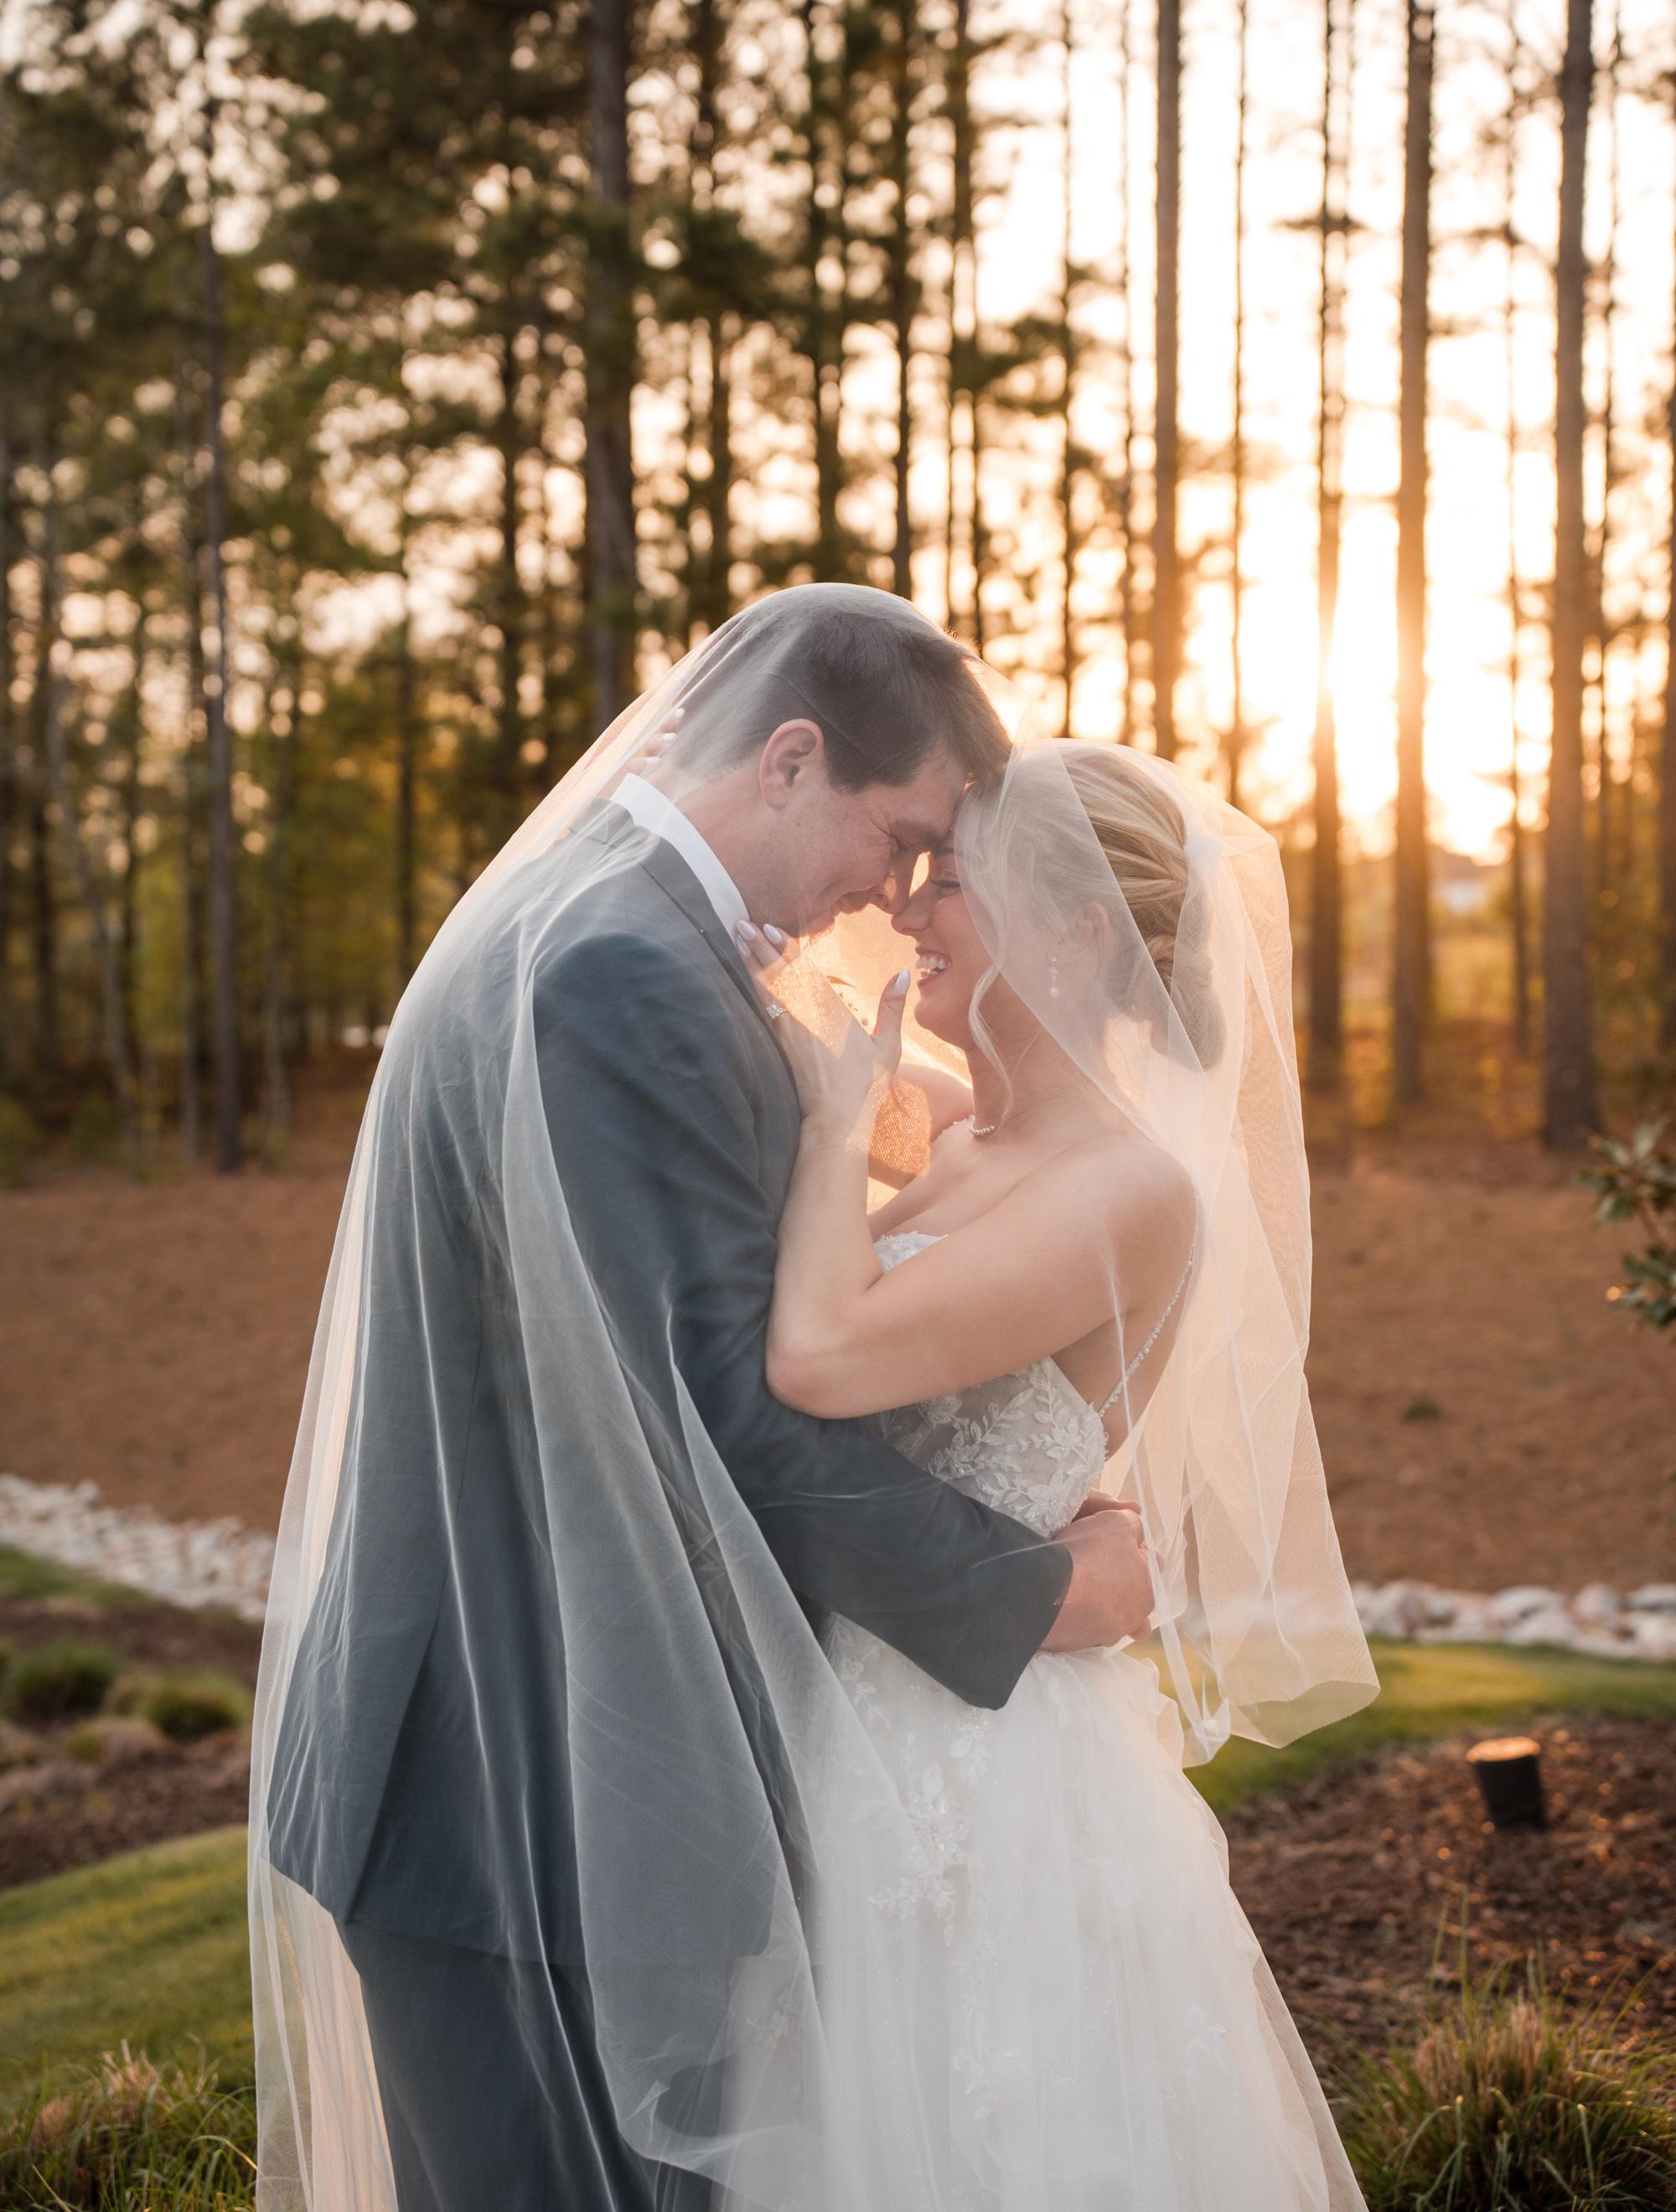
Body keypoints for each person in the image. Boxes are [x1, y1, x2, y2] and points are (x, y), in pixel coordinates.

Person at [250, 587, 1155, 2212]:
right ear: (790, 761)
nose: (896, 894)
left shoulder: (619, 932)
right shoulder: (627, 973)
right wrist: (1043, 1588)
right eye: (901, 840)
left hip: (541, 1764)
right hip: (525, 1784)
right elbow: (727, 1420)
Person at [730, 737, 1379, 2209]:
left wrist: (834, 1122)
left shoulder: (1129, 1189)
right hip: (834, 1719)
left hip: (977, 1769)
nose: (905, 909)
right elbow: (775, 1047)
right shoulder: (961, 1126)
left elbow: (822, 1355)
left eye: (949, 882)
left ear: (1078, 929)